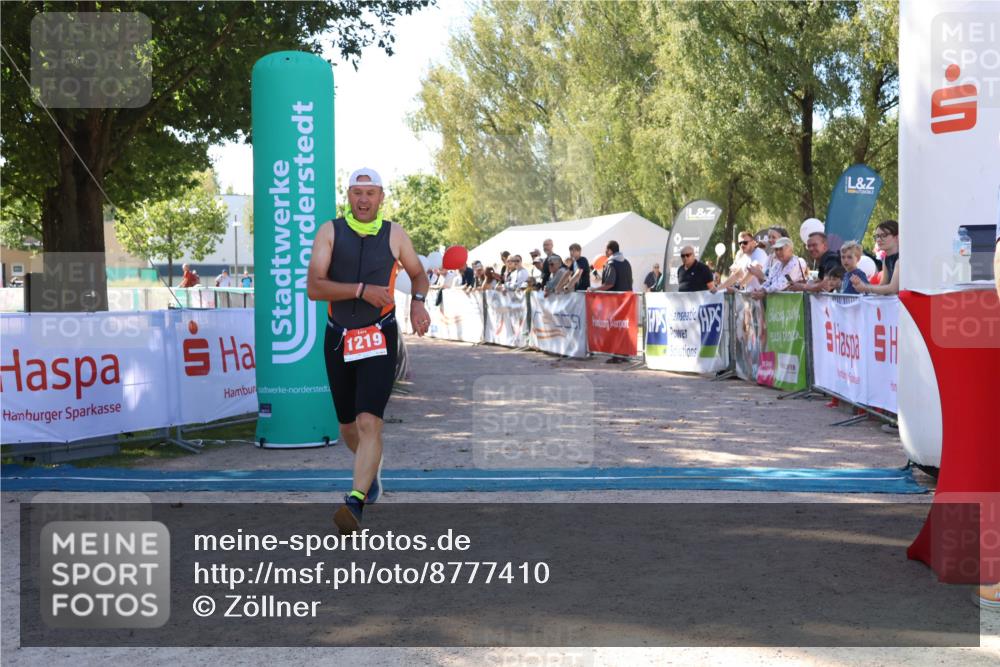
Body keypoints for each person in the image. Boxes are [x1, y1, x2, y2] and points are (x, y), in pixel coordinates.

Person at [306, 167, 430, 535]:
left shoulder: (395, 234)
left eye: (370, 193)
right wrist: (361, 290)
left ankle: (356, 501)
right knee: (348, 427)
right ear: (348, 197)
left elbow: (419, 274)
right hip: (338, 336)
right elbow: (315, 286)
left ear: (381, 197)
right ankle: (369, 470)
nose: (363, 200)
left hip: (379, 336)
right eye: (357, 193)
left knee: (369, 421)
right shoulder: (330, 232)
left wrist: (418, 302)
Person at [852, 220, 900, 295]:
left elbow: (892, 289)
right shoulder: (886, 259)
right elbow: (883, 285)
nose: (878, 240)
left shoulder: (901, 260)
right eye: (877, 236)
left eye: (884, 235)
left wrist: (866, 288)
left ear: (896, 237)